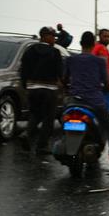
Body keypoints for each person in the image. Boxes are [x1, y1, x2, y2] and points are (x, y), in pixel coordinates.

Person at [64, 31, 109, 175]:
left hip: (73, 101)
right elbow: (106, 82)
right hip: (94, 102)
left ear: (80, 44)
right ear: (93, 44)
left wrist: (69, 89)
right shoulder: (99, 61)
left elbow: (64, 79)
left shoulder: (71, 60)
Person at [18, 26, 63, 154]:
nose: (54, 39)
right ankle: (42, 146)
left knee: (35, 114)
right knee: (49, 117)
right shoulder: (55, 52)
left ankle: (26, 133)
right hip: (49, 89)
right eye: (52, 36)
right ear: (44, 36)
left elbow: (23, 70)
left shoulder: (30, 50)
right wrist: (62, 84)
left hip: (32, 89)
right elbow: (60, 72)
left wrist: (25, 86)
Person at [92, 28, 109, 113]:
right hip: (103, 85)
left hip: (97, 83)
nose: (107, 39)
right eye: (105, 36)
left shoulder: (96, 46)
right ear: (100, 36)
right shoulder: (101, 48)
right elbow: (104, 68)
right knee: (105, 112)